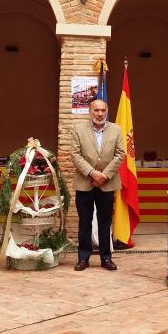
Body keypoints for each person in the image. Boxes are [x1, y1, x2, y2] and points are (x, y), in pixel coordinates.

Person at [70, 99, 125, 271]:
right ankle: (83, 258)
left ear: (107, 111)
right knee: (84, 222)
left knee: (105, 221)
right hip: (84, 182)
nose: (100, 114)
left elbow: (120, 154)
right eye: (96, 110)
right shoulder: (79, 130)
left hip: (107, 184)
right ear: (90, 111)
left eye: (103, 110)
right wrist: (93, 173)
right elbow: (75, 154)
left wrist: (104, 176)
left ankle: (106, 258)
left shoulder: (116, 130)